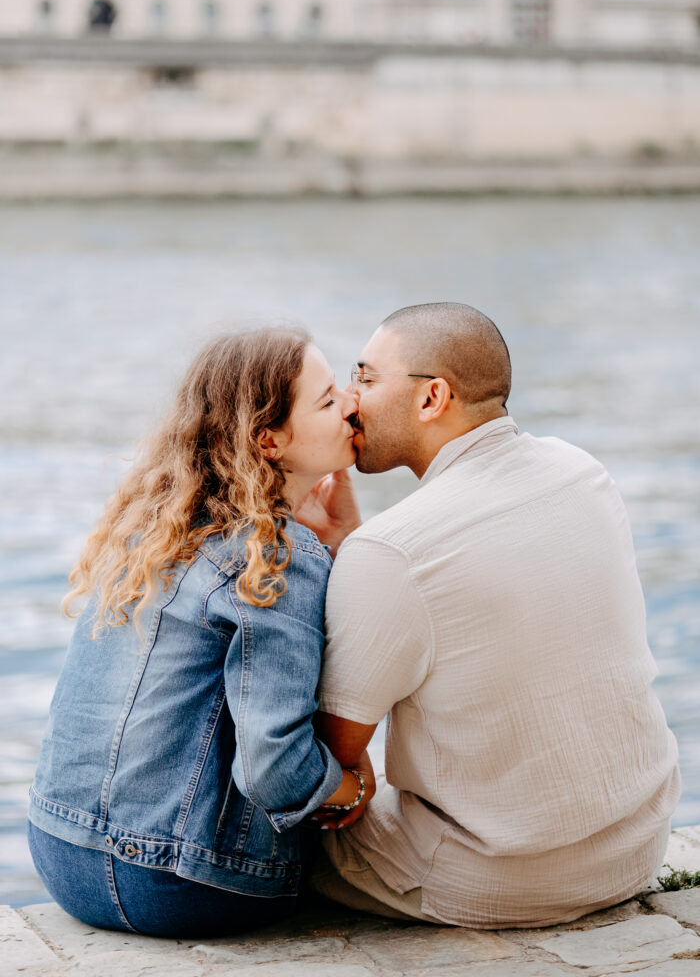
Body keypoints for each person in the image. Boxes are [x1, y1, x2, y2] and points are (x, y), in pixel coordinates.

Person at [308, 302, 681, 929]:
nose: (349, 400)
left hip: (500, 876)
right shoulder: (581, 471)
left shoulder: (394, 550)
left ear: (432, 398)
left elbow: (330, 755)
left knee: (270, 808)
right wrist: (354, 544)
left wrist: (344, 553)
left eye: (366, 378)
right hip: (636, 846)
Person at [27, 328, 374, 939]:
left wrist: (330, 544)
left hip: (60, 853)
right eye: (325, 401)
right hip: (182, 884)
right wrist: (349, 787)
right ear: (268, 440)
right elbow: (275, 770)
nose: (350, 403)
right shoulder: (272, 556)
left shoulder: (151, 530)